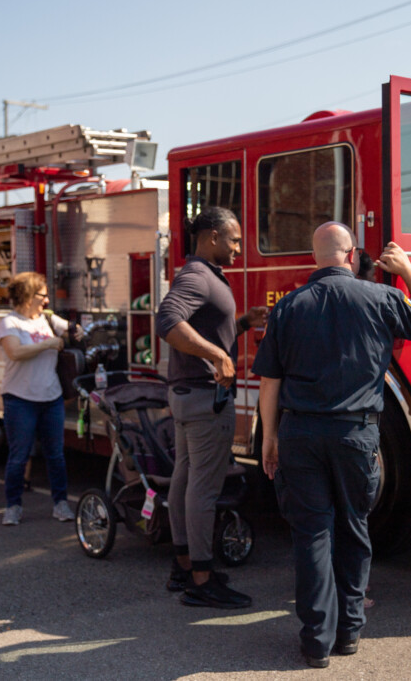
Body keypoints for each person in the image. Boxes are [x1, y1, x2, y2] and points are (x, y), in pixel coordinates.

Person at [253, 222, 411, 668]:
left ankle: (315, 641)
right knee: (354, 529)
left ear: (313, 258)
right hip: (356, 435)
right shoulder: (380, 297)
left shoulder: (288, 307)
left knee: (312, 534)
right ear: (351, 254)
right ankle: (349, 633)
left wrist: (270, 438)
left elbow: (269, 383)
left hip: (300, 434)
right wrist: (410, 271)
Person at [155, 206, 267, 609]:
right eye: (235, 239)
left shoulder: (204, 276)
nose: (240, 248)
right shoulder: (198, 275)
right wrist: (218, 357)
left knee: (185, 485)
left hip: (189, 397)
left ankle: (184, 565)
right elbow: (167, 320)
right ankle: (201, 580)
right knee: (203, 490)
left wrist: (240, 325)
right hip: (204, 399)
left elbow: (202, 327)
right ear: (213, 237)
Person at [0, 272, 76, 526]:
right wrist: (49, 344)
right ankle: (13, 506)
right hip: (19, 399)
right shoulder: (10, 323)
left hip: (51, 397)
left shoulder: (48, 319)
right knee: (19, 456)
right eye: (42, 295)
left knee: (56, 455)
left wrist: (76, 332)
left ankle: (61, 504)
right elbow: (15, 352)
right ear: (28, 296)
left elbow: (75, 331)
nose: (46, 300)